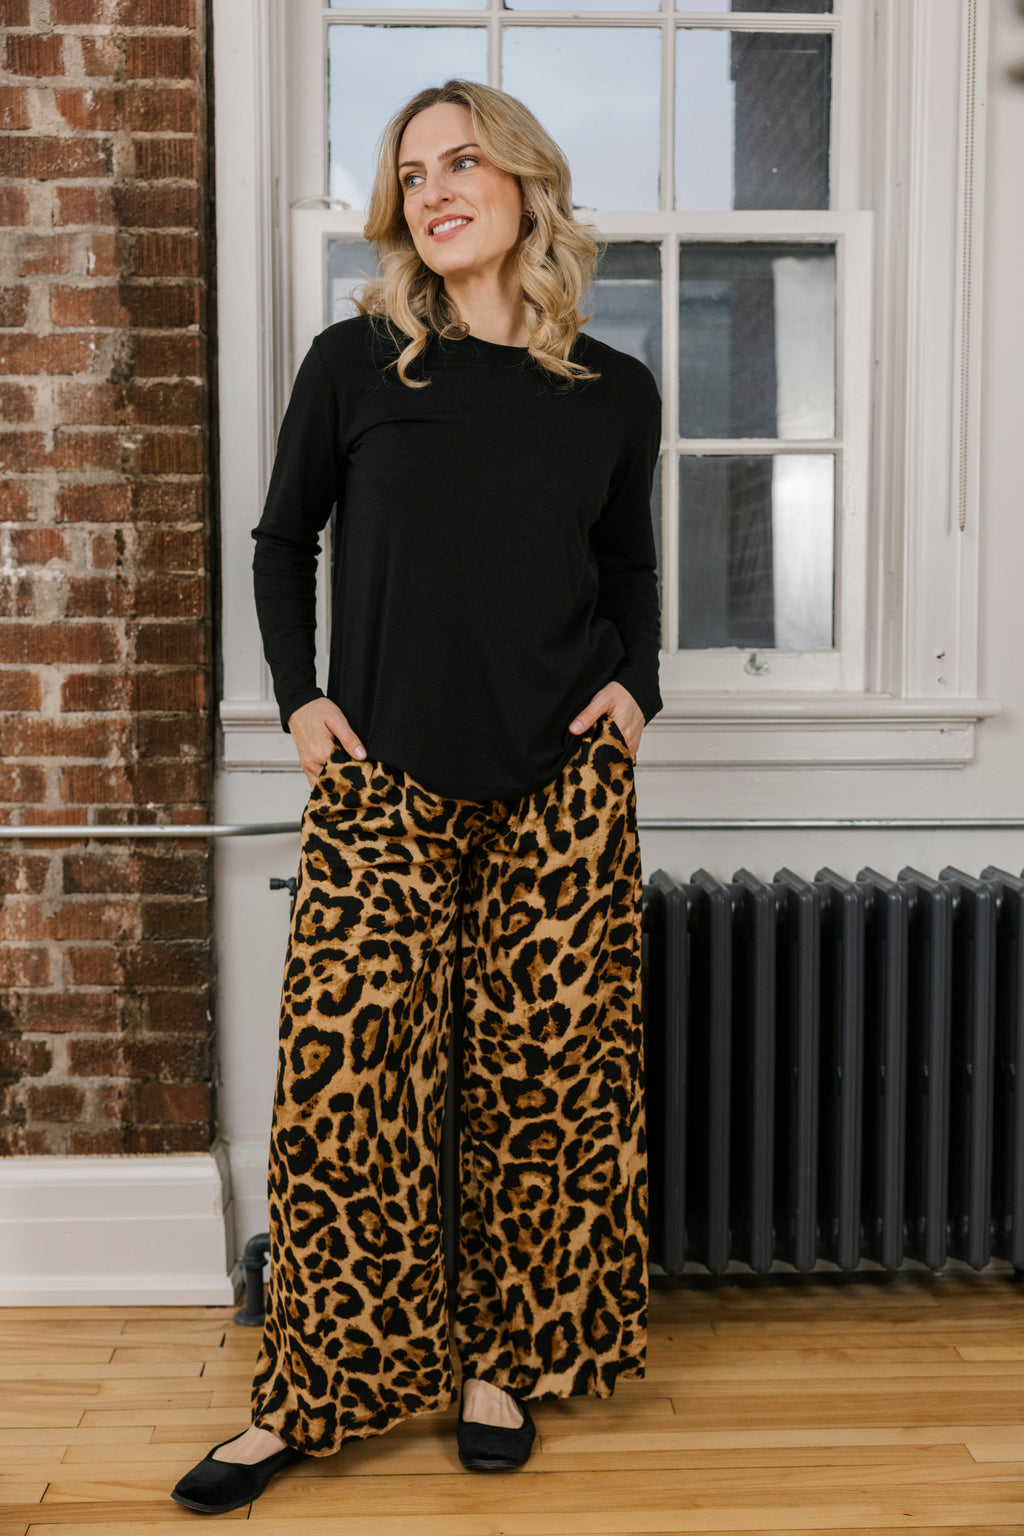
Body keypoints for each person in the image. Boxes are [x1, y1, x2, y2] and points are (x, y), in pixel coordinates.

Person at [171, 76, 662, 1516]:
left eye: (461, 163)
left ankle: (502, 1364)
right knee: (347, 1098)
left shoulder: (614, 393)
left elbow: (629, 569)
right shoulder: (355, 364)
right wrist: (300, 700)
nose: (433, 191)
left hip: (560, 792)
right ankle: (310, 1395)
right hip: (382, 782)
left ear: (525, 182)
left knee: (546, 1093)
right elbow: (281, 544)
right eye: (412, 174)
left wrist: (638, 690)